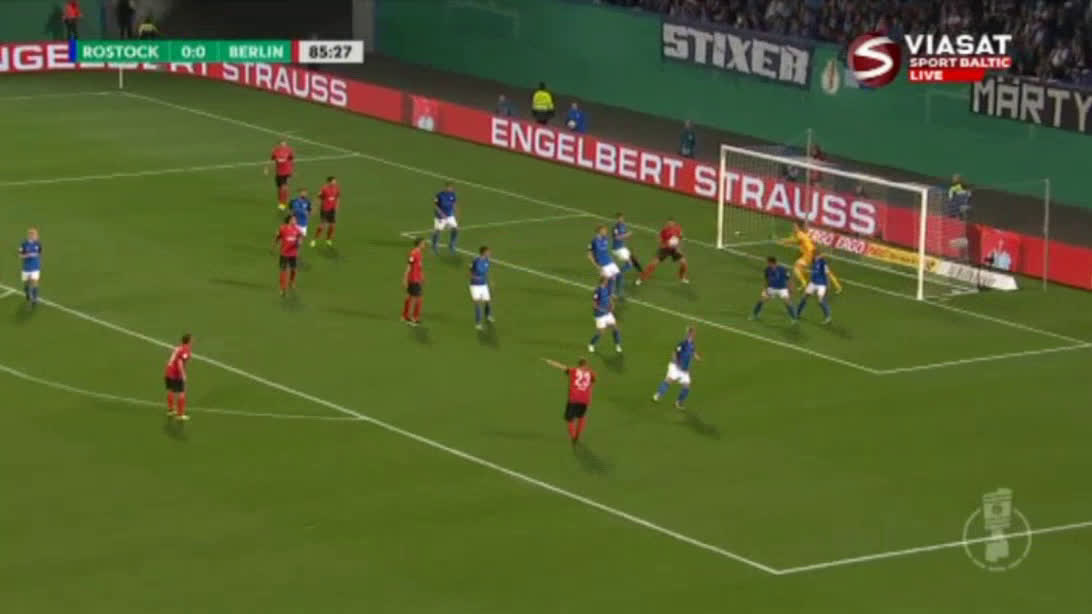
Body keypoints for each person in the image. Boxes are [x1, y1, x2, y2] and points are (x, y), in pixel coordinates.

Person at [542, 357, 597, 443]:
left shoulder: (574, 371)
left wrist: (550, 361)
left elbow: (561, 367)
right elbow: (593, 380)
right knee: (581, 417)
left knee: (570, 419)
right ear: (586, 365)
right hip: (585, 399)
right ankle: (578, 436)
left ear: (579, 365)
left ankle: (573, 437)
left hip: (574, 398)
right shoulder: (591, 373)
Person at [653, 327, 701, 410]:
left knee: (687, 387)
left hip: (685, 370)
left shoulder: (692, 344)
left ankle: (678, 403)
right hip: (677, 367)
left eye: (695, 333)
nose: (695, 334)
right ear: (689, 334)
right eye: (693, 333)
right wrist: (676, 362)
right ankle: (657, 395)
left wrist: (696, 356)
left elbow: (692, 351)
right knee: (669, 380)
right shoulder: (683, 343)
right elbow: (675, 352)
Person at [637, 218, 689, 285]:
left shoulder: (678, 229)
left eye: (671, 223)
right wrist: (664, 245)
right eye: (668, 224)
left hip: (675, 249)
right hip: (665, 249)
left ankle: (682, 277)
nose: (669, 225)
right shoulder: (664, 231)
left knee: (684, 263)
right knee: (653, 264)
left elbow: (681, 238)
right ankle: (641, 278)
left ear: (674, 224)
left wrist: (679, 248)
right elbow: (660, 241)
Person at [796, 250, 842, 324]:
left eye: (815, 255)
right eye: (814, 255)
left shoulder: (823, 263)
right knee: (804, 297)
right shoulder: (814, 260)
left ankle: (828, 317)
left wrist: (828, 285)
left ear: (818, 255)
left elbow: (827, 274)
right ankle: (798, 313)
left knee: (820, 300)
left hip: (821, 284)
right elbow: (813, 270)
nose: (814, 256)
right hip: (813, 283)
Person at [751, 256, 797, 322]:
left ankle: (794, 319)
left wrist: (791, 288)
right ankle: (755, 315)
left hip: (782, 289)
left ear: (772, 263)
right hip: (771, 288)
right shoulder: (767, 270)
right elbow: (766, 280)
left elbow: (789, 279)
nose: (767, 264)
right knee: (761, 300)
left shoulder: (783, 269)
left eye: (768, 263)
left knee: (787, 302)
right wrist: (764, 289)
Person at [588, 276, 622, 354]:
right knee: (601, 332)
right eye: (606, 281)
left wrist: (612, 305)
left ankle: (617, 345)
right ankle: (591, 344)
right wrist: (603, 310)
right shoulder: (597, 291)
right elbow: (594, 305)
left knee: (615, 328)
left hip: (608, 313)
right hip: (600, 315)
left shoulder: (606, 288)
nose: (607, 282)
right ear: (603, 281)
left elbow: (609, 298)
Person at [611, 213, 642, 296]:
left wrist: (628, 238)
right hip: (617, 249)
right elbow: (616, 238)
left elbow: (625, 237)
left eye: (622, 218)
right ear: (617, 219)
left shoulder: (623, 226)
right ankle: (618, 274)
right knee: (630, 263)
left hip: (622, 248)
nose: (621, 220)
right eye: (619, 218)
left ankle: (639, 273)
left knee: (633, 259)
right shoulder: (615, 228)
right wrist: (626, 235)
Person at [164, 333, 193, 421]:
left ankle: (171, 410)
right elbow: (179, 362)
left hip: (168, 371)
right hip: (176, 374)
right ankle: (180, 415)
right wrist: (183, 374)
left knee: (171, 390)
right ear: (189, 341)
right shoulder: (185, 350)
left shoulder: (178, 348)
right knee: (181, 393)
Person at [274, 214, 302, 295]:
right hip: (284, 253)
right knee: (283, 271)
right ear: (289, 220)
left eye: (295, 219)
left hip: (293, 254)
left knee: (294, 270)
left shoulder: (297, 229)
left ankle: (291, 282)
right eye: (294, 219)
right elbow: (278, 237)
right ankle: (282, 289)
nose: (295, 221)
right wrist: (275, 245)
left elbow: (300, 237)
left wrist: (299, 242)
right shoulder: (282, 228)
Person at [587, 225, 620, 292]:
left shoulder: (605, 238)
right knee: (605, 280)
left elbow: (614, 237)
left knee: (614, 276)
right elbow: (589, 255)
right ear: (600, 231)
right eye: (604, 230)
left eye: (605, 230)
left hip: (610, 262)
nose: (606, 232)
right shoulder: (594, 241)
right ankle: (599, 293)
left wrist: (615, 232)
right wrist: (597, 266)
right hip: (602, 264)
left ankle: (610, 293)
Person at [469, 246, 494, 329]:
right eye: (488, 252)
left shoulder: (487, 261)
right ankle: (478, 323)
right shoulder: (476, 261)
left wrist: (489, 281)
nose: (490, 253)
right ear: (483, 252)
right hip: (475, 285)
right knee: (478, 304)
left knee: (488, 302)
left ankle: (488, 315)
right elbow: (470, 272)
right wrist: (474, 277)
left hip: (484, 284)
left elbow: (486, 272)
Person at [431, 181, 458, 255]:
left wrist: (455, 213)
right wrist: (441, 214)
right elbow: (435, 206)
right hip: (440, 217)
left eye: (451, 188)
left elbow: (454, 204)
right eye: (449, 187)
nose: (450, 189)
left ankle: (452, 244)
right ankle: (434, 245)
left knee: (455, 229)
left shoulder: (452, 194)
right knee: (438, 231)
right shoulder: (439, 195)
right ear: (445, 187)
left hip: (450, 216)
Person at [402, 238, 425, 325]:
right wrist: (405, 278)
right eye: (423, 243)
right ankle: (414, 317)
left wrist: (422, 276)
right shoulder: (413, 253)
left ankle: (405, 316)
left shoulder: (419, 253)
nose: (424, 245)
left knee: (410, 297)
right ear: (419, 244)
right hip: (413, 279)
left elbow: (419, 267)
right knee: (417, 298)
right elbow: (409, 266)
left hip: (417, 278)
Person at [312, 176, 340, 247]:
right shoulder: (324, 189)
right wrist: (315, 207)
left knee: (332, 226)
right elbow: (318, 198)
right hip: (325, 209)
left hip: (332, 210)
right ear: (329, 182)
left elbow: (337, 197)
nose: (334, 182)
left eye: (335, 181)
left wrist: (337, 206)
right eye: (333, 181)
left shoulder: (336, 189)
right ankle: (314, 239)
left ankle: (328, 239)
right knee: (322, 226)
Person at [266, 140, 295, 210]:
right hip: (279, 173)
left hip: (287, 172)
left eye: (284, 144)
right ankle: (281, 201)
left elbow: (292, 160)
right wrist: (267, 168)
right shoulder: (276, 151)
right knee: (279, 189)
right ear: (279, 144)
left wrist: (292, 170)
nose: (283, 145)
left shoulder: (289, 150)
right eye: (282, 144)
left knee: (284, 188)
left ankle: (283, 203)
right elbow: (271, 160)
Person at [18, 227, 43, 305]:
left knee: (35, 283)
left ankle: (35, 299)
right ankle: (27, 293)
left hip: (35, 267)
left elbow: (40, 253)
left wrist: (35, 255)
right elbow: (20, 255)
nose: (36, 236)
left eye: (36, 235)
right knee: (26, 284)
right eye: (34, 235)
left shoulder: (38, 243)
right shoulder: (23, 244)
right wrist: (27, 255)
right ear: (30, 235)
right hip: (26, 267)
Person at [790, 222, 815, 290]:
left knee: (796, 268)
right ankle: (805, 281)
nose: (793, 228)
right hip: (810, 253)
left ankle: (804, 283)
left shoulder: (799, 235)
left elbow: (795, 241)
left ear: (799, 227)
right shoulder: (800, 234)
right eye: (793, 227)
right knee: (800, 267)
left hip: (808, 254)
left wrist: (784, 241)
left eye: (795, 227)